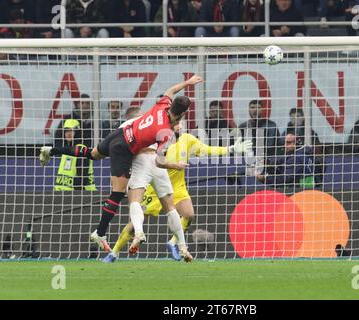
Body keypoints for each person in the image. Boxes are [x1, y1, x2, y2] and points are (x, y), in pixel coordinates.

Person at [39, 75, 203, 252]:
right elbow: (159, 160)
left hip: (119, 134)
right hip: (123, 149)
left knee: (92, 154)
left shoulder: (162, 105)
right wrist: (175, 165)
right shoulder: (163, 132)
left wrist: (187, 83)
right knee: (117, 193)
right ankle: (99, 233)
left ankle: (51, 150)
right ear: (182, 114)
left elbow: (171, 90)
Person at [103, 122, 252, 262]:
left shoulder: (187, 140)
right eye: (176, 123)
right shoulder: (156, 142)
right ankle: (114, 252)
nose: (180, 126)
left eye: (181, 123)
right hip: (154, 188)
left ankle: (173, 242)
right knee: (136, 223)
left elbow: (207, 149)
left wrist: (231, 149)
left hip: (177, 187)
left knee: (189, 214)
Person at [257, 133, 323, 192]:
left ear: (296, 143)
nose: (285, 145)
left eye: (288, 143)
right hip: (313, 190)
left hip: (298, 193)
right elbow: (282, 161)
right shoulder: (307, 153)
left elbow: (284, 180)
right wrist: (268, 162)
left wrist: (265, 178)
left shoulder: (296, 159)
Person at [54, 119, 97, 191]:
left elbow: (82, 177)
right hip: (64, 195)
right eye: (67, 131)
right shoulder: (67, 149)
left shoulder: (80, 149)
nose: (68, 133)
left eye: (72, 130)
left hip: (81, 195)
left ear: (77, 132)